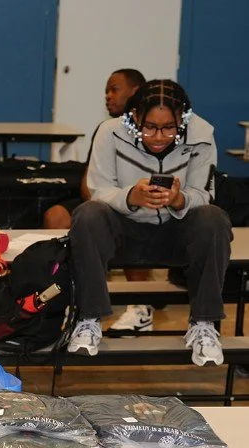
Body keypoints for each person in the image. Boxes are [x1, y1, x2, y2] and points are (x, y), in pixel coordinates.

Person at [66, 79, 232, 367]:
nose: (158, 136)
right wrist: (132, 196)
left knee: (214, 218)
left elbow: (205, 194)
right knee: (88, 213)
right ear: (134, 119)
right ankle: (88, 318)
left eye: (169, 127)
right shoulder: (110, 132)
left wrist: (180, 200)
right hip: (124, 233)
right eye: (149, 127)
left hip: (176, 233)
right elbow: (97, 188)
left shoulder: (203, 135)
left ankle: (204, 324)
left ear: (182, 119)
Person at [43, 69, 153, 334]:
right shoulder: (107, 129)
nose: (108, 96)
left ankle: (140, 307)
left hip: (139, 202)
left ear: (135, 92)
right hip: (104, 199)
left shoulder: (153, 129)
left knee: (133, 217)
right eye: (107, 90)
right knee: (57, 216)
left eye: (114, 89)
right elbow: (88, 185)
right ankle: (71, 296)